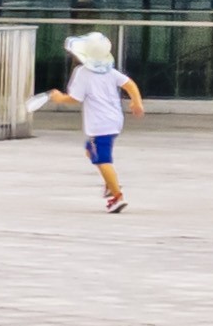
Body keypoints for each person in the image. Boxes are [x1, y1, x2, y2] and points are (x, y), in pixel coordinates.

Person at [32, 32, 140, 212]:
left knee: (103, 158)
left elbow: (75, 98)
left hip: (99, 124)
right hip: (114, 121)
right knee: (91, 151)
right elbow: (130, 84)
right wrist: (137, 101)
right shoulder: (111, 72)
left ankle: (117, 196)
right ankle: (110, 183)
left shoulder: (82, 73)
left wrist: (59, 98)